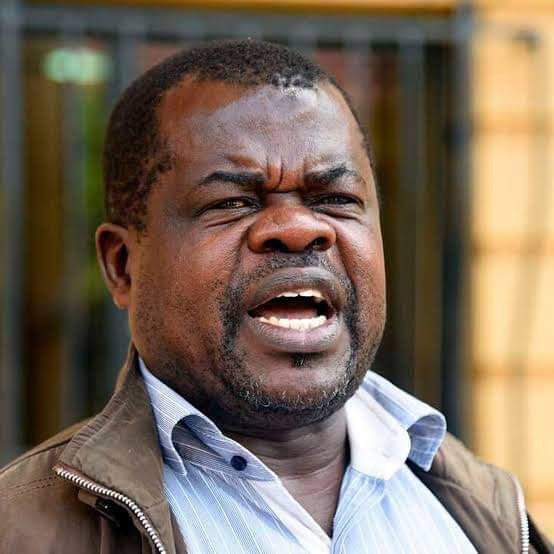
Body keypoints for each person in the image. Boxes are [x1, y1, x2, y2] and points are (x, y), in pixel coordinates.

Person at [0, 39, 551, 554]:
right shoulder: (22, 530)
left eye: (335, 198)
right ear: (123, 266)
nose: (298, 228)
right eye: (230, 203)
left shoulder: (487, 511)